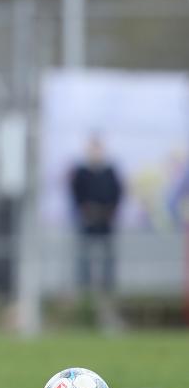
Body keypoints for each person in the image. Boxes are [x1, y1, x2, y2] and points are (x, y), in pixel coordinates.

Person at [69, 135, 124, 329]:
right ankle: (84, 295)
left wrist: (108, 212)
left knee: (107, 260)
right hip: (87, 223)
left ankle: (106, 293)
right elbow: (76, 194)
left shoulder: (110, 172)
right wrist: (87, 211)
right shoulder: (81, 172)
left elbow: (118, 193)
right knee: (83, 258)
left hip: (105, 224)